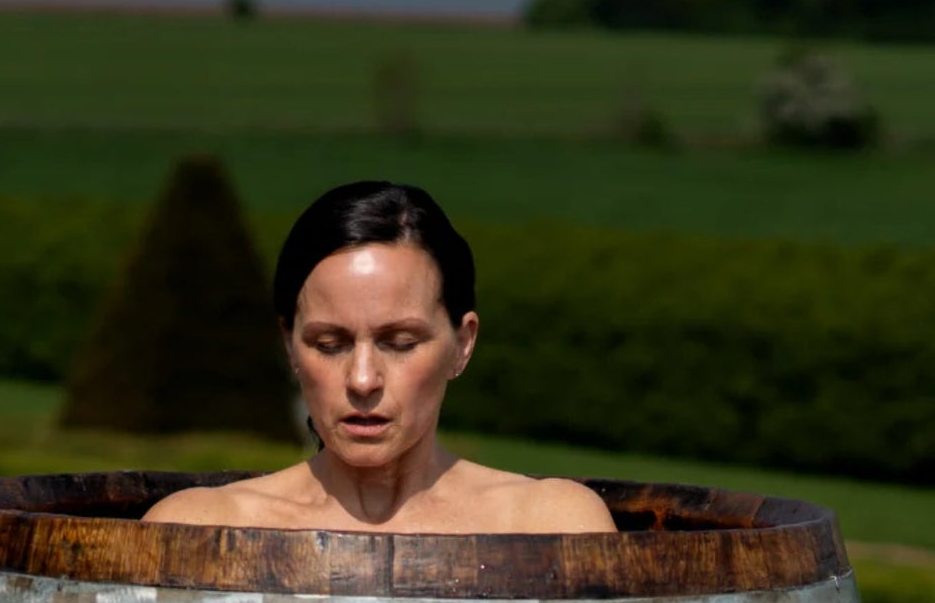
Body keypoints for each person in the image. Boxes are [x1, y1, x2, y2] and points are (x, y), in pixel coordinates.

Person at [144, 181, 616, 535]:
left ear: (463, 343)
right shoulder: (200, 528)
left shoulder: (549, 526)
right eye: (330, 345)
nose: (363, 379)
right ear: (289, 345)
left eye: (400, 343)